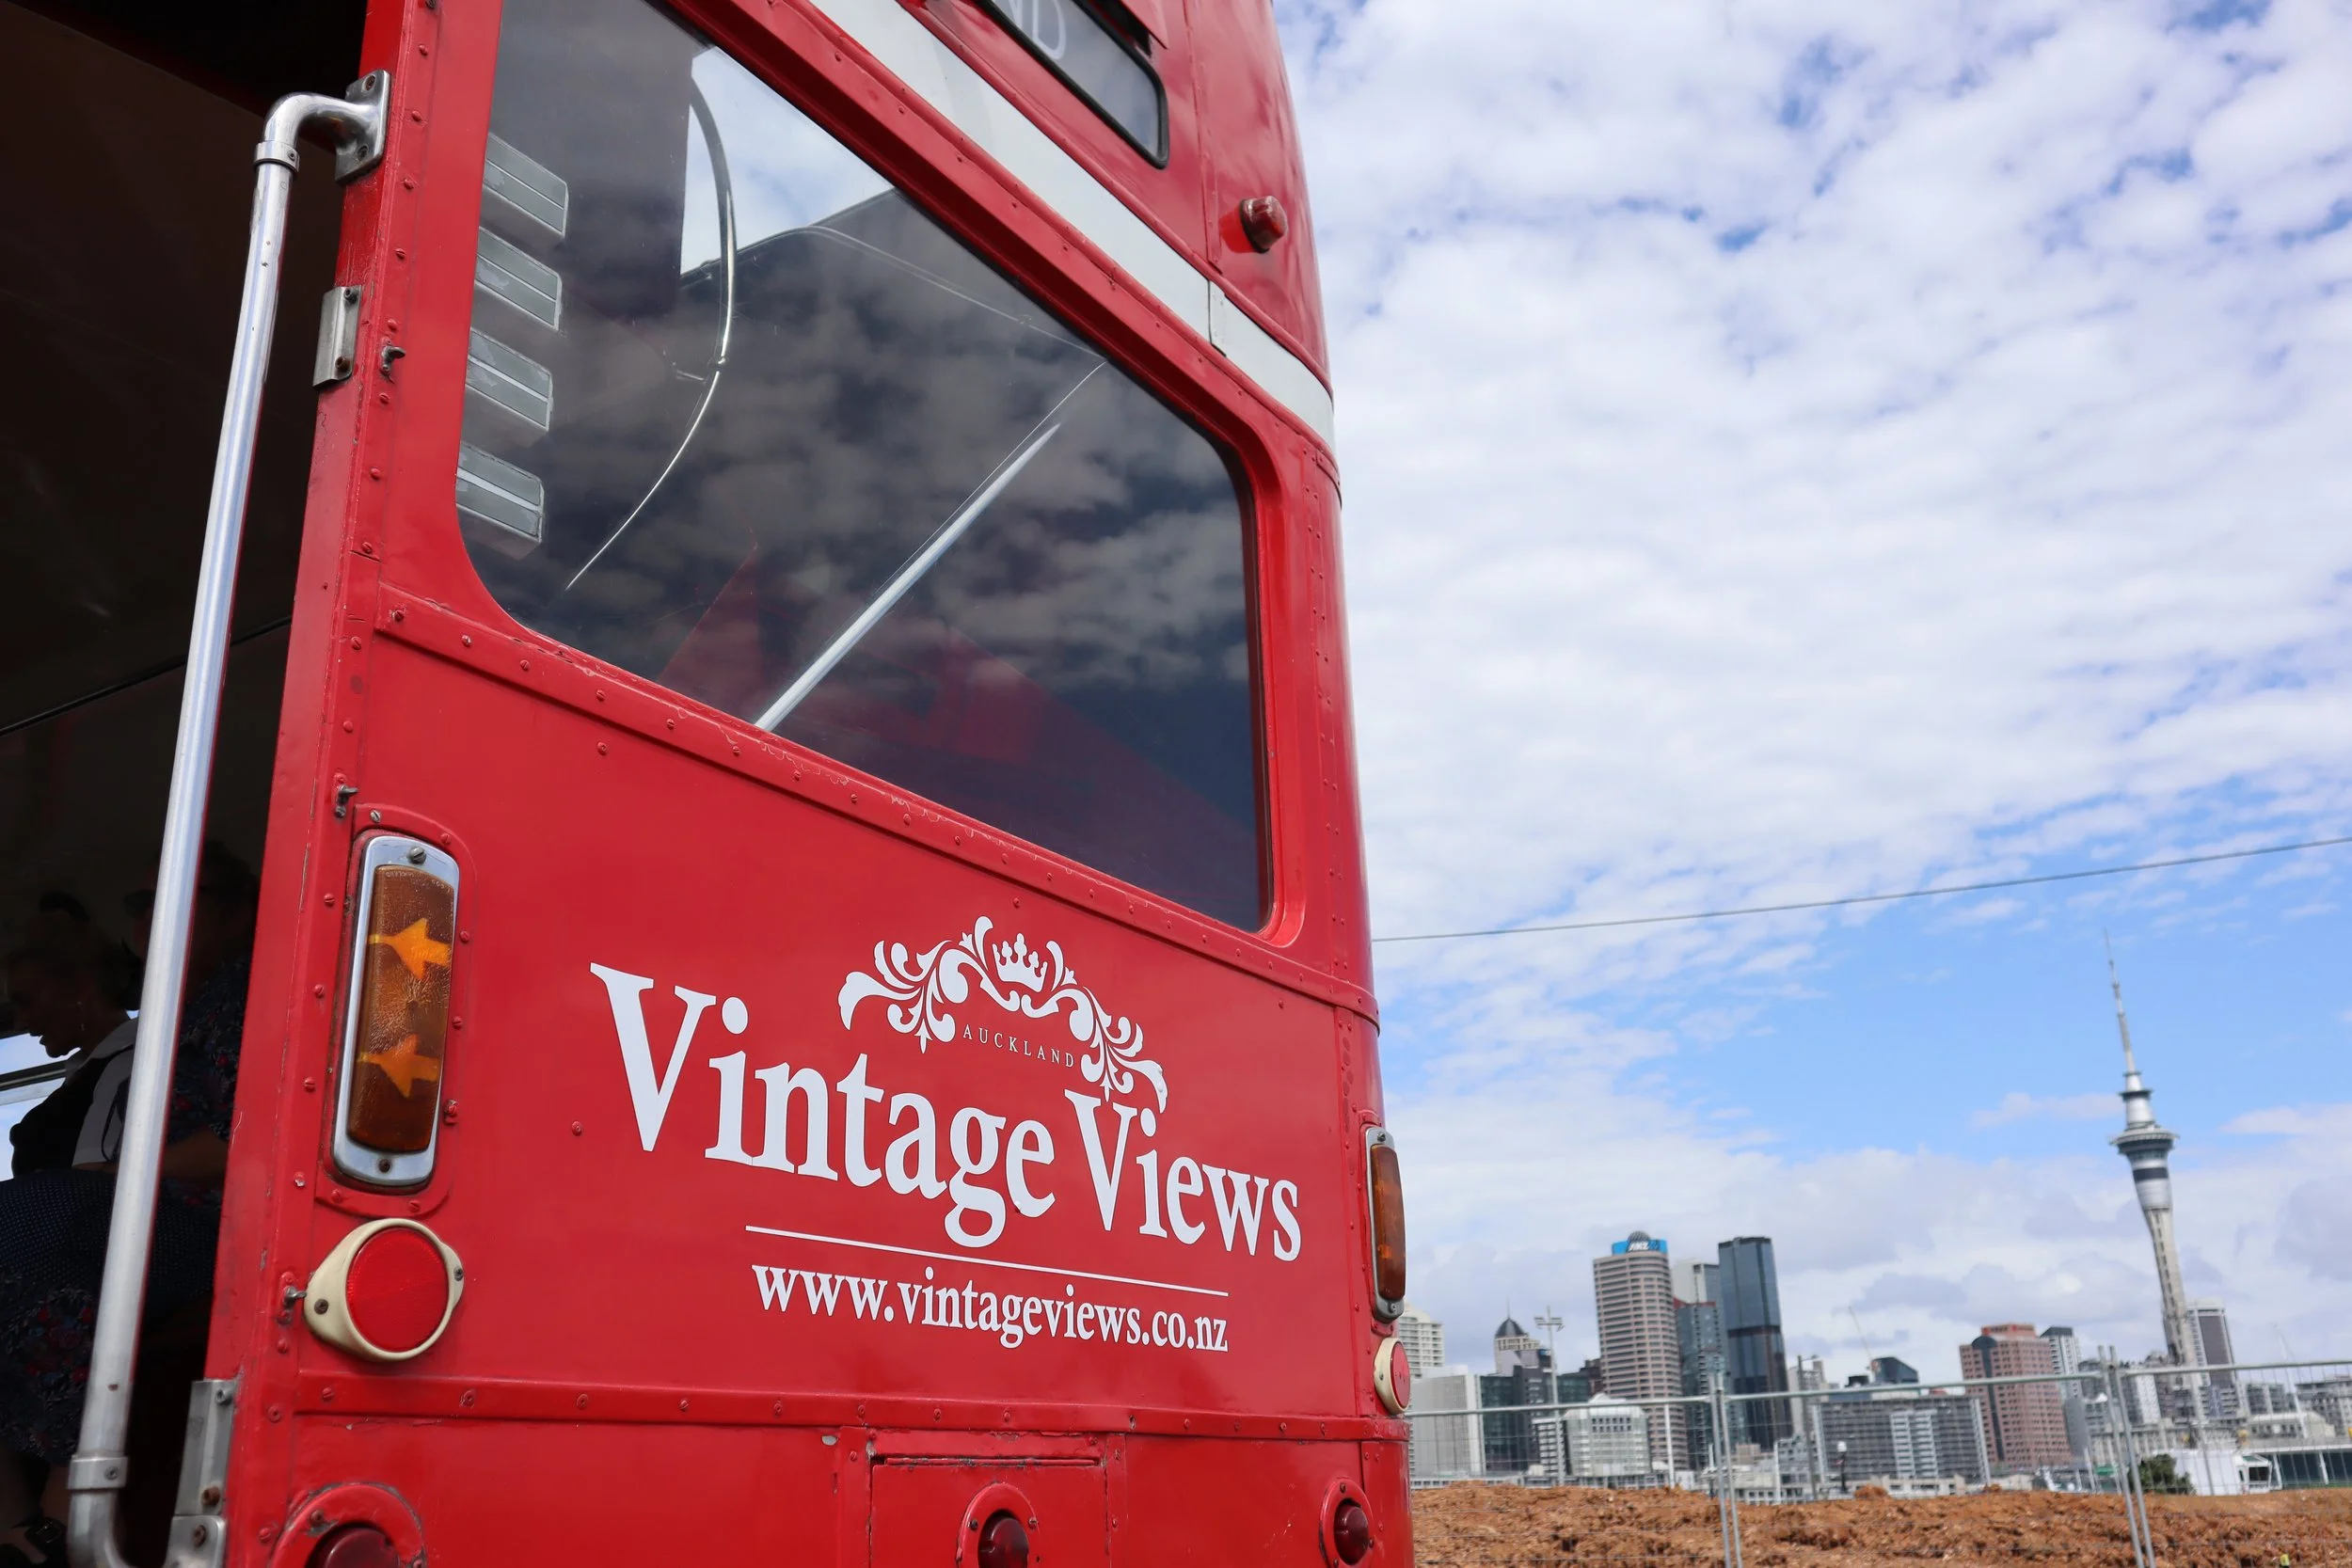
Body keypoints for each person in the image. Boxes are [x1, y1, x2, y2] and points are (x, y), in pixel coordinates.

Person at [0, 846, 255, 1565]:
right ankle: (18, 1525)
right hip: (147, 1208)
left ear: (237, 908)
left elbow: (251, 1137)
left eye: (168, 897)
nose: (147, 919)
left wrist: (128, 1171)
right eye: (139, 905)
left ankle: (59, 1517)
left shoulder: (255, 998)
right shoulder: (188, 1011)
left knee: (45, 1218)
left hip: (205, 1223)